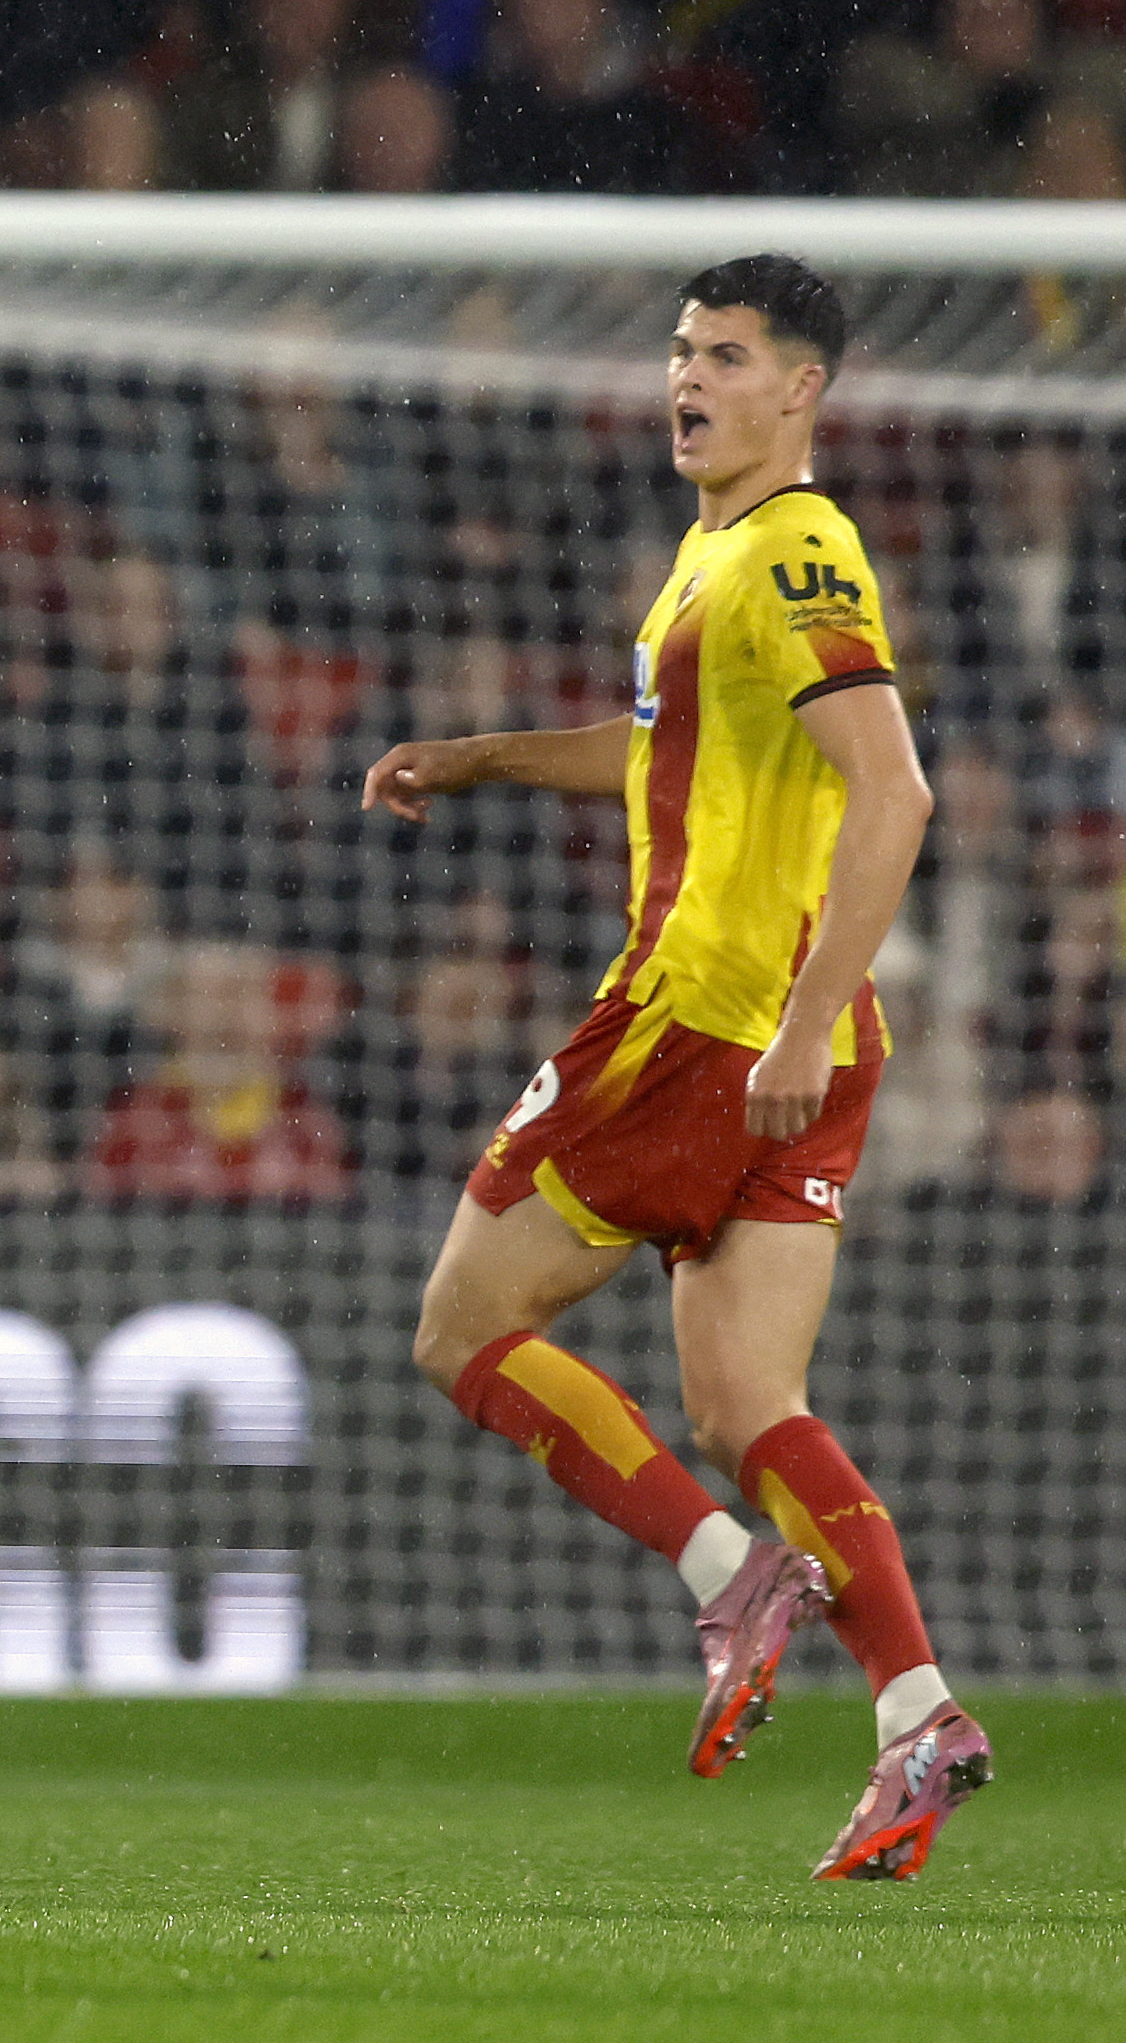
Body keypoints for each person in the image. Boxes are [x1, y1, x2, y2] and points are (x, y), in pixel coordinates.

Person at [361, 254, 987, 1882]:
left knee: (461, 1326)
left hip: (706, 1022)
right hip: (812, 1047)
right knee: (744, 1401)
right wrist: (485, 755)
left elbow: (895, 795)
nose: (684, 379)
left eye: (723, 354)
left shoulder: (788, 552)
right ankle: (915, 1711)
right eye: (675, 352)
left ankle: (726, 1575)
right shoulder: (714, 560)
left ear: (803, 391)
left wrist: (786, 1014)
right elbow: (663, 758)